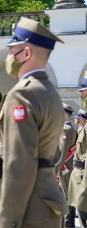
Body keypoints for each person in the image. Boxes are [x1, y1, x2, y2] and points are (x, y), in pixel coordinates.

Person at [0, 17, 68, 228]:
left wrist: (8, 221)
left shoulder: (22, 94)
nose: (8, 56)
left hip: (28, 211)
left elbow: (19, 163)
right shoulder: (50, 92)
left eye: (12, 50)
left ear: (26, 53)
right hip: (48, 202)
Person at [55, 104, 77, 227]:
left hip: (65, 167)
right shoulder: (68, 128)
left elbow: (63, 153)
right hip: (67, 167)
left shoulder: (66, 129)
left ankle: (69, 223)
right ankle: (69, 222)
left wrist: (57, 169)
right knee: (68, 194)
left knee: (67, 195)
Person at [67, 93, 87, 226]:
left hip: (83, 172)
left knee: (81, 202)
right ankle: (71, 222)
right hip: (78, 170)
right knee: (75, 200)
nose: (77, 119)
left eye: (79, 117)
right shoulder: (81, 129)